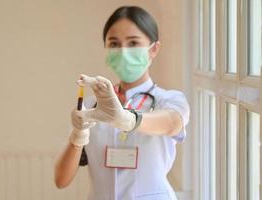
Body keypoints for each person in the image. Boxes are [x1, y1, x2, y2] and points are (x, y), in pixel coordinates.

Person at [54, 6, 190, 200]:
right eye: (114, 43)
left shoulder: (169, 99)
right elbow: (61, 180)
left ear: (154, 49)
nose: (123, 51)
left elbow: (172, 123)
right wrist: (77, 136)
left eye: (133, 43)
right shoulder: (92, 106)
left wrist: (127, 119)